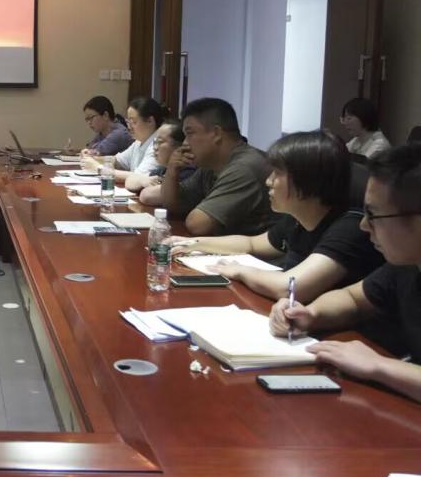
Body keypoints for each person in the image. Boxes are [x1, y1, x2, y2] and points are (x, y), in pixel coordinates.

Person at [269, 144, 421, 403]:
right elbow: (353, 299)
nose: (363, 225)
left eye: (373, 215)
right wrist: (311, 314)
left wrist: (379, 365)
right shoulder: (406, 265)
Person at [170, 131, 384, 302]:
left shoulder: (350, 227)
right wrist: (194, 243)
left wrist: (240, 271)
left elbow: (290, 287)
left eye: (278, 173)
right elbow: (252, 244)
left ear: (307, 180)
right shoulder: (298, 218)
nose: (269, 181)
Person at [161, 97, 277, 236]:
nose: (185, 143)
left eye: (190, 133)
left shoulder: (245, 167)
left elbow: (198, 224)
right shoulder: (211, 165)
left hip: (257, 249)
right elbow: (172, 205)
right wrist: (172, 170)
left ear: (216, 133)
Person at [85, 96, 164, 183]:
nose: (129, 127)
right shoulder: (139, 142)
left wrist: (98, 168)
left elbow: (139, 178)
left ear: (150, 121)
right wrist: (92, 159)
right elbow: (117, 161)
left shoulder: (159, 145)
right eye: (128, 122)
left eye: (133, 122)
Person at [128, 119, 195, 201]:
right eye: (155, 142)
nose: (155, 148)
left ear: (179, 146)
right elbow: (129, 181)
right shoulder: (163, 169)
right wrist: (142, 181)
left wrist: (144, 186)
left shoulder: (188, 171)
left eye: (160, 142)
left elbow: (147, 196)